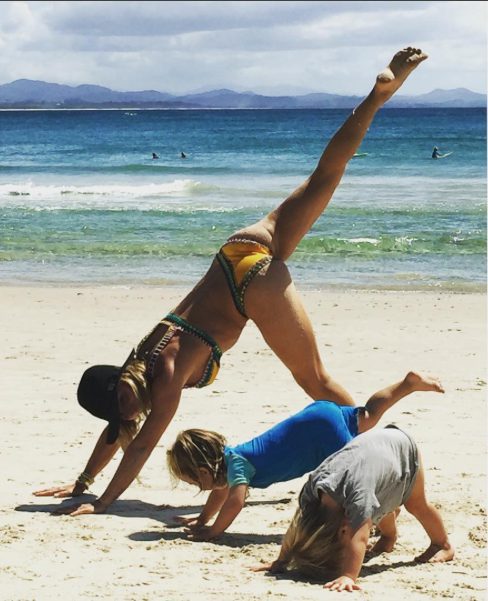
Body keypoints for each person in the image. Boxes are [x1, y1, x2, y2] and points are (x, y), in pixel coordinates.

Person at [33, 47, 428, 516]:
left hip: (250, 282)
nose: (127, 405)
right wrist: (81, 482)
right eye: (122, 407)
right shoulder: (143, 356)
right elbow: (120, 432)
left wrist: (101, 503)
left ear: (123, 381)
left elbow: (138, 446)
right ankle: (378, 96)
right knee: (325, 177)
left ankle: (375, 450)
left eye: (121, 395)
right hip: (237, 250)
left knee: (314, 378)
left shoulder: (161, 379)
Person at [167, 372, 443, 540]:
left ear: (203, 471)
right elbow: (221, 492)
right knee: (368, 415)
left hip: (320, 435)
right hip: (319, 417)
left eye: (192, 482)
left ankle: (386, 522)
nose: (196, 487)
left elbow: (234, 502)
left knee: (355, 480)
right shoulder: (232, 460)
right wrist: (203, 519)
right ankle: (408, 384)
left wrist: (215, 531)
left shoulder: (238, 465)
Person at [255, 426, 454, 592]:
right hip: (374, 449)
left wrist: (348, 575)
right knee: (374, 507)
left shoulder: (358, 497)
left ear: (343, 529)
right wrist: (281, 561)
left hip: (401, 448)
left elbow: (360, 537)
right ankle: (388, 537)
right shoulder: (312, 491)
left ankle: (442, 544)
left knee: (415, 504)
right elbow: (296, 530)